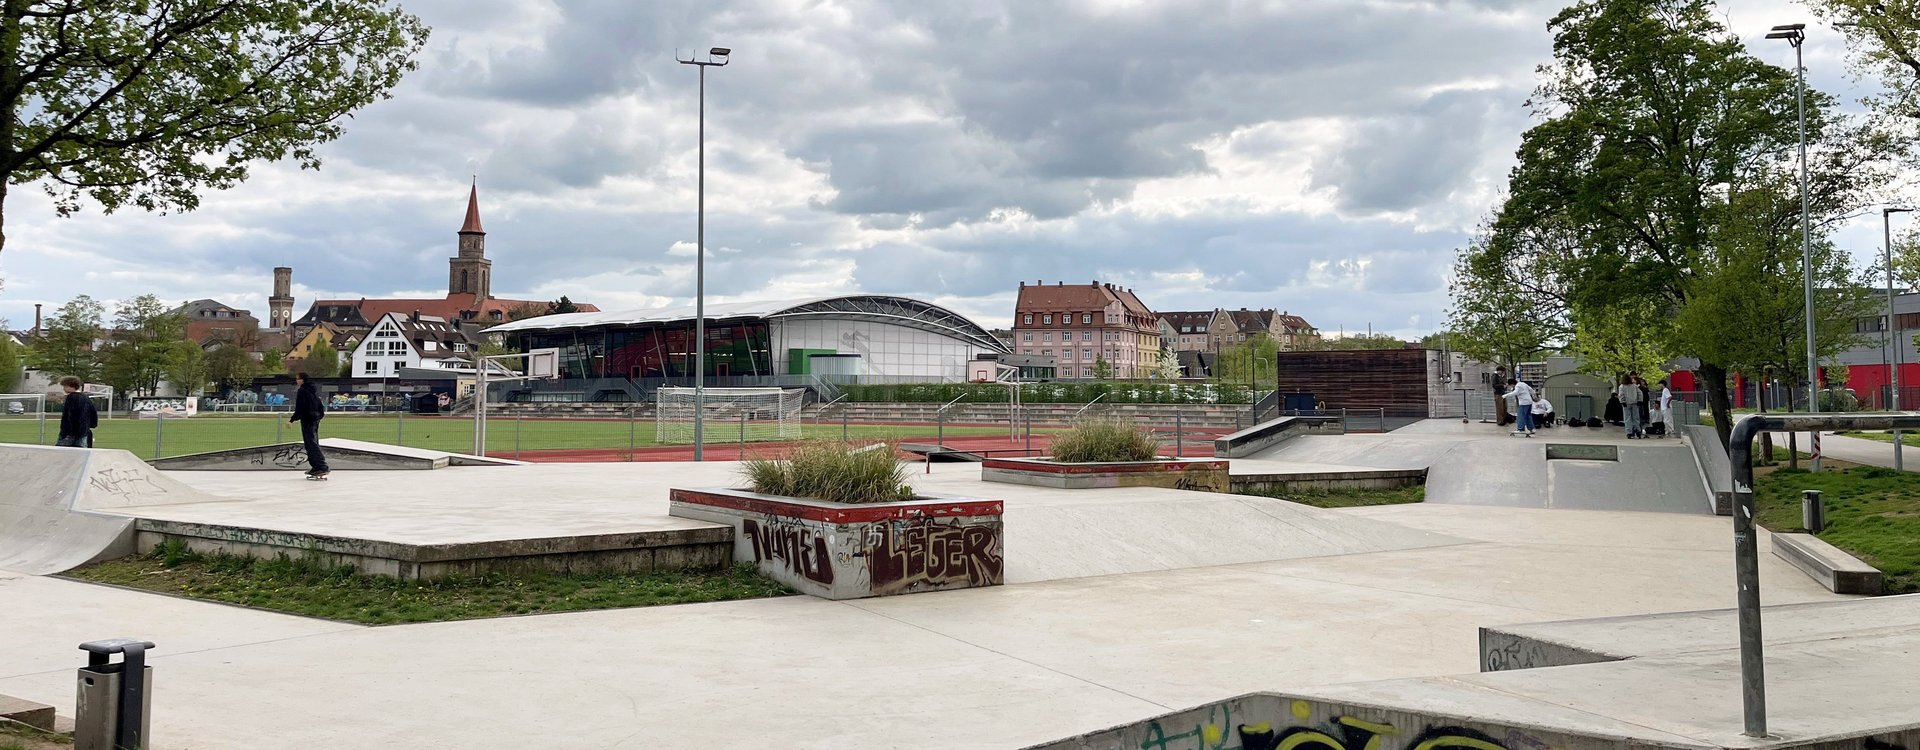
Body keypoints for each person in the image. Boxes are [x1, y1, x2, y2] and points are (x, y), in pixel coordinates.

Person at [291, 372, 330, 479]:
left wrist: (292, 420)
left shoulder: (302, 391)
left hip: (308, 419)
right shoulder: (312, 390)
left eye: (297, 379)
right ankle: (316, 467)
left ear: (302, 380)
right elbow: (319, 404)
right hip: (315, 418)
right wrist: (320, 416)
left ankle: (321, 466)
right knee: (313, 442)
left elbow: (300, 407)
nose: (296, 381)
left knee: (310, 444)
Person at [55, 377, 98, 448]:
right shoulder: (86, 398)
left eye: (65, 386)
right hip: (84, 431)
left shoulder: (71, 398)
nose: (63, 389)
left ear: (71, 386)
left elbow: (69, 415)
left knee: (62, 453)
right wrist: (91, 425)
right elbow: (93, 413)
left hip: (70, 433)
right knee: (81, 453)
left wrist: (67, 431)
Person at [1618, 374, 1645, 439]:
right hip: (1635, 403)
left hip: (1626, 404)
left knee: (1627, 418)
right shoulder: (1634, 386)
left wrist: (1622, 401)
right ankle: (1638, 430)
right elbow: (1640, 393)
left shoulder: (1622, 386)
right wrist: (1639, 401)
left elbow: (1621, 395)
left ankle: (1629, 432)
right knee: (1636, 417)